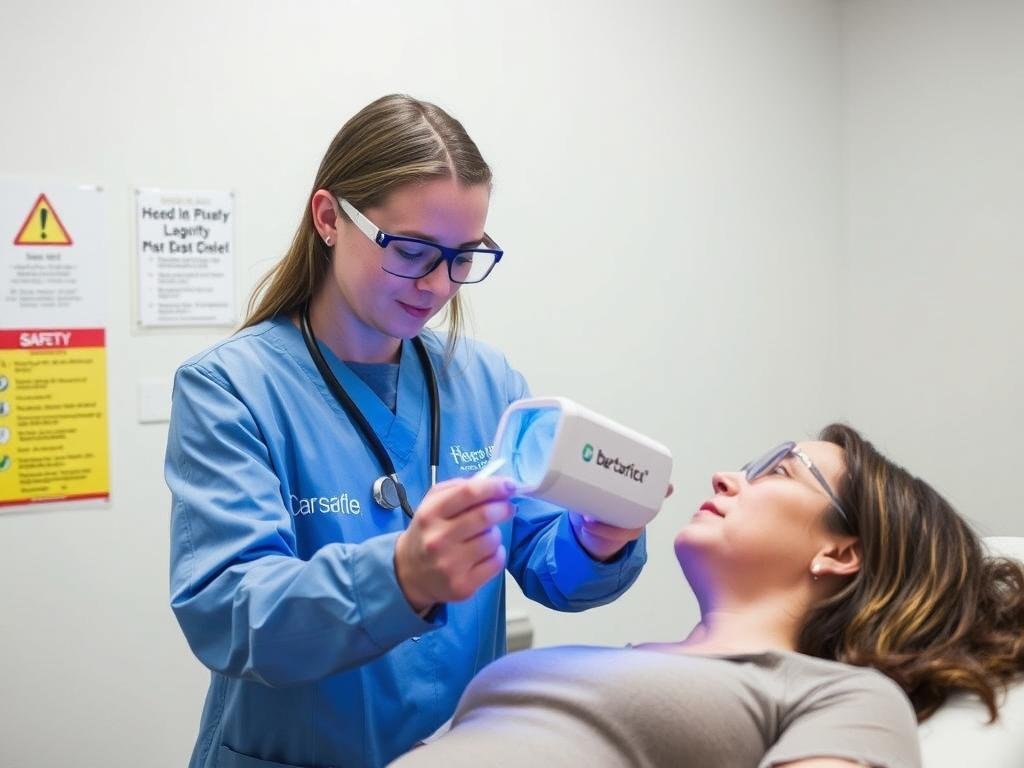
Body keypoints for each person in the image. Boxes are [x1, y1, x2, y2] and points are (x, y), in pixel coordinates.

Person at [165, 94, 653, 768]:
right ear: (330, 218)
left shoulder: (487, 383)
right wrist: (400, 577)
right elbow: (232, 614)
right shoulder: (232, 388)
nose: (438, 284)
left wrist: (599, 539)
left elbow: (550, 566)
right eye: (414, 251)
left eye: (463, 257)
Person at [389, 424, 1024, 768]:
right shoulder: (615, 660)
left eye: (774, 472)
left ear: (841, 552)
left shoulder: (841, 695)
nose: (725, 475)